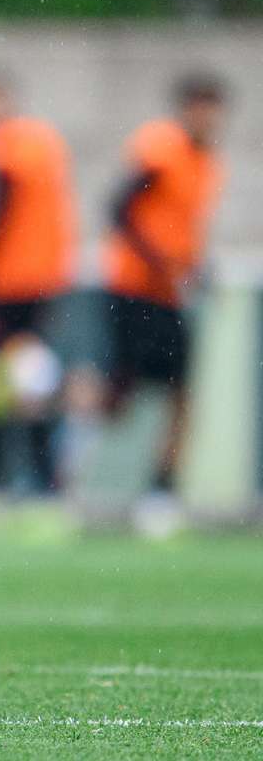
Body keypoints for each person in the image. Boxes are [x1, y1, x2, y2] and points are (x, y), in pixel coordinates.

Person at [100, 74, 228, 514]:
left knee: (182, 393)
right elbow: (118, 208)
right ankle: (65, 456)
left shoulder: (208, 163)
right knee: (120, 393)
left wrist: (195, 269)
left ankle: (163, 487)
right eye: (199, 106)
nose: (207, 117)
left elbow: (183, 231)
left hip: (169, 296)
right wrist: (158, 262)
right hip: (133, 288)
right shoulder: (161, 150)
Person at [0, 73, 77, 495]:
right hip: (44, 275)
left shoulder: (7, 143)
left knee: (2, 381)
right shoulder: (42, 140)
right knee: (31, 379)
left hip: (12, 279)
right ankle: (41, 476)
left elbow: (1, 202)